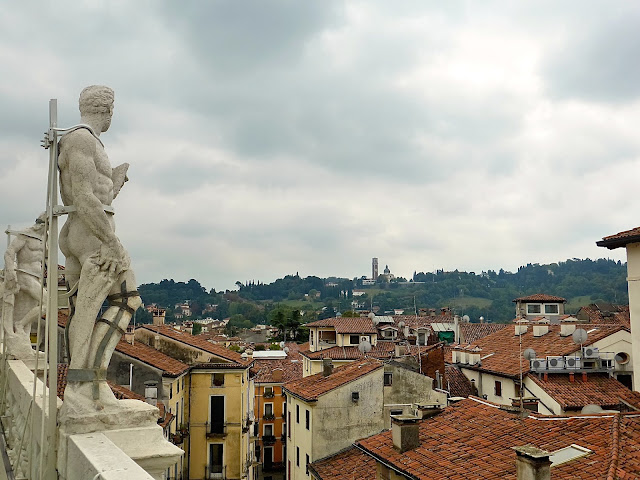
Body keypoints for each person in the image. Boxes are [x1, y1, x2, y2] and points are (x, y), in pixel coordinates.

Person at [58, 85, 141, 409]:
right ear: (106, 110)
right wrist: (112, 242)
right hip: (92, 233)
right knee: (125, 300)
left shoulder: (86, 141)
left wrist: (115, 180)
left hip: (84, 229)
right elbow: (82, 196)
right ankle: (89, 380)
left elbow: (95, 194)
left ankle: (84, 384)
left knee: (82, 309)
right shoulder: (80, 138)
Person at [1, 213, 46, 359]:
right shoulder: (26, 234)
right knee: (47, 303)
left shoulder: (45, 239)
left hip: (37, 277)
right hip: (23, 274)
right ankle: (20, 325)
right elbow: (9, 252)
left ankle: (24, 342)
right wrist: (10, 271)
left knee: (27, 309)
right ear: (41, 224)